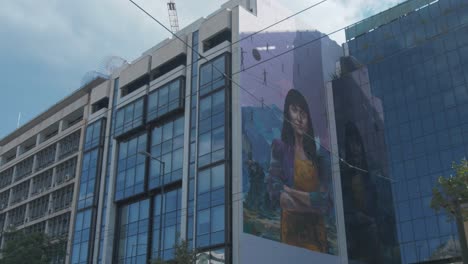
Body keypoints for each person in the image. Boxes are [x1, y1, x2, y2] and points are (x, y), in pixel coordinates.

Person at [267, 89, 330, 253]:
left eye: (304, 113)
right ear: (287, 114)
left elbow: (325, 201)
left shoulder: (319, 161)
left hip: (318, 239)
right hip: (292, 240)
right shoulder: (279, 148)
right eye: (294, 110)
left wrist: (290, 191)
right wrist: (314, 206)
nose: (300, 118)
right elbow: (278, 196)